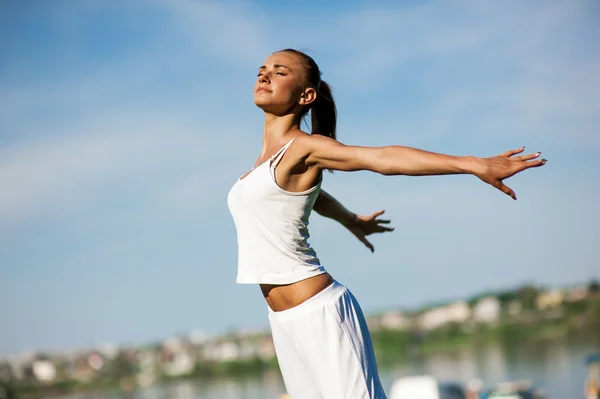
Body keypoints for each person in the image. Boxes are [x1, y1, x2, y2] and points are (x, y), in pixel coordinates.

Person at [227, 48, 546, 399]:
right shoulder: (262, 165)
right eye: (262, 69)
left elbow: (382, 158)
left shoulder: (305, 147)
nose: (265, 75)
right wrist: (350, 220)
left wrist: (472, 164)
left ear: (306, 95)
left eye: (280, 71)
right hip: (284, 322)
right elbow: (309, 198)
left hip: (321, 314)